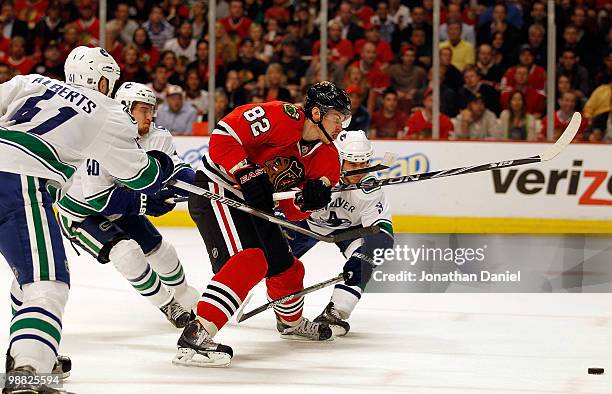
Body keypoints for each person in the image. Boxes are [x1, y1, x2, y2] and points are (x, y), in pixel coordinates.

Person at [0, 46, 173, 392]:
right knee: (47, 286)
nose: (110, 88)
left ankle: (33, 352)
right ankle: (26, 376)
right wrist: (164, 167)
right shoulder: (107, 110)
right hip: (21, 182)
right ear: (97, 79)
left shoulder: (32, 81)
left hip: (14, 173)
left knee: (27, 280)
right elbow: (140, 176)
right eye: (109, 80)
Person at [175, 81, 352, 367]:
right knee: (251, 261)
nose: (340, 127)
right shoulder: (282, 117)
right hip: (219, 190)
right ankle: (195, 336)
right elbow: (223, 135)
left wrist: (307, 202)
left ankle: (291, 323)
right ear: (317, 113)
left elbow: (292, 212)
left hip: (257, 204)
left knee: (287, 268)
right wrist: (244, 169)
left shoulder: (328, 157)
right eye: (337, 118)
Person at [56, 81, 198, 328]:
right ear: (125, 108)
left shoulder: (158, 135)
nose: (150, 116)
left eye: (152, 109)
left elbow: (175, 169)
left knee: (161, 251)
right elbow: (98, 198)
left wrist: (199, 187)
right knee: (127, 252)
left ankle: (185, 295)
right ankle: (167, 305)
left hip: (121, 204)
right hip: (81, 214)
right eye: (143, 109)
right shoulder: (102, 137)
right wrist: (147, 202)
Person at [285, 130, 394, 336]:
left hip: (348, 230)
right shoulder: (314, 169)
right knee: (270, 259)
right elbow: (284, 203)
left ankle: (336, 312)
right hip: (306, 223)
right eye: (353, 164)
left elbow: (383, 235)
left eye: (364, 163)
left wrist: (361, 261)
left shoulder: (371, 187)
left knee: (367, 258)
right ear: (339, 159)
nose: (360, 170)